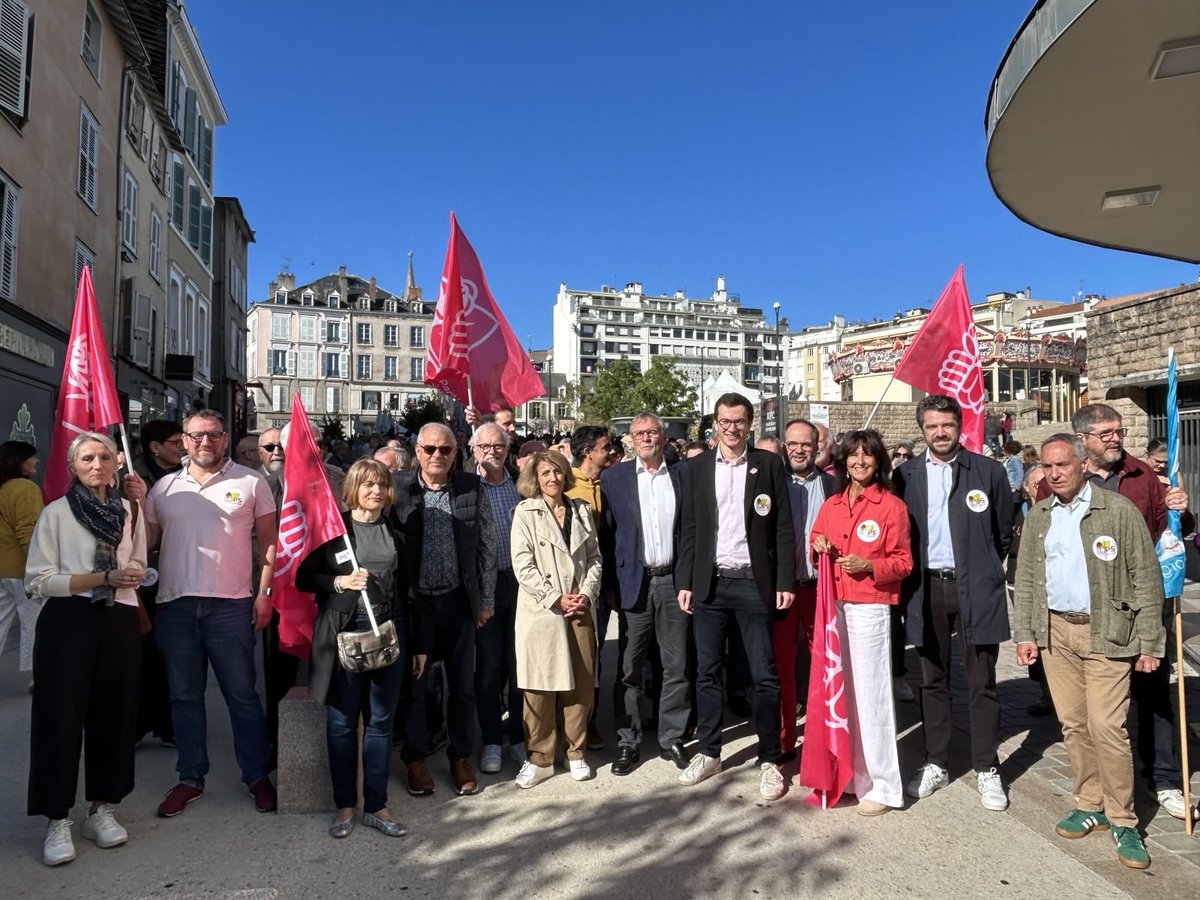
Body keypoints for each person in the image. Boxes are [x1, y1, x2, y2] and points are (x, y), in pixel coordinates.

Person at [1013, 434, 1165, 869]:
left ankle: (1123, 819)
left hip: (1108, 634)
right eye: (1048, 466)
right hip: (1056, 633)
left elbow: (1146, 578)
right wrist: (1026, 633)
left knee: (1107, 727)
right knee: (1074, 725)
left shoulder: (1117, 511)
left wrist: (1150, 642)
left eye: (1063, 465)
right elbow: (1026, 580)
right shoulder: (1040, 514)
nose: (1055, 473)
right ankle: (1089, 802)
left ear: (1083, 464)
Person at [1051, 403, 1193, 820]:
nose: (1116, 439)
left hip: (1138, 607)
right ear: (1083, 439)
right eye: (1106, 433)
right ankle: (1097, 791)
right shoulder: (1060, 480)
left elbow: (1167, 536)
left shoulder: (1142, 476)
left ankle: (1164, 777)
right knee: (1095, 713)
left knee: (1154, 693)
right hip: (1085, 612)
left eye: (1118, 432)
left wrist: (1179, 513)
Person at [144, 409, 279, 817]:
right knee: (184, 698)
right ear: (184, 440)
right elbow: (144, 542)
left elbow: (271, 544)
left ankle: (256, 775)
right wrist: (132, 503)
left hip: (231, 605)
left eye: (214, 435)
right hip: (175, 605)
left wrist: (264, 593)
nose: (206, 442)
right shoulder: (163, 488)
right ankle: (190, 777)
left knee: (242, 696)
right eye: (197, 436)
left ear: (225, 439)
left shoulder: (251, 481)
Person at [25, 432, 148, 865]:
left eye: (105, 457)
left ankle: (102, 808)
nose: (98, 465)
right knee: (59, 717)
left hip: (118, 618)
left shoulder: (128, 510)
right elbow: (37, 581)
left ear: (117, 463)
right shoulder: (57, 514)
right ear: (74, 467)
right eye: (88, 458)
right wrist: (99, 579)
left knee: (114, 715)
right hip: (68, 619)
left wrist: (130, 573)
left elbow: (140, 563)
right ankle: (57, 819)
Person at [893, 394, 1014, 812]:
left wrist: (980, 567)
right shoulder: (904, 476)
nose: (940, 432)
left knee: (982, 680)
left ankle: (986, 766)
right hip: (925, 589)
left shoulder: (988, 471)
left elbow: (1002, 532)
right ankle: (936, 761)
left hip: (975, 588)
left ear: (958, 426)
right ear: (922, 429)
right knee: (932, 678)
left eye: (946, 425)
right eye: (932, 426)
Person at [676, 392, 795, 802]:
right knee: (708, 671)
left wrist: (784, 581)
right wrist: (685, 581)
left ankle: (769, 758)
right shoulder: (695, 468)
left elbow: (783, 527)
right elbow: (689, 528)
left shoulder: (768, 465)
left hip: (753, 583)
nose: (731, 428)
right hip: (710, 583)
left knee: (764, 675)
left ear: (749, 424)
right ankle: (710, 752)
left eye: (739, 421)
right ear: (714, 423)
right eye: (725, 421)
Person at [297, 459, 411, 839]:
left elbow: (407, 590)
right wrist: (340, 581)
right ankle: (345, 803)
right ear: (353, 489)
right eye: (367, 485)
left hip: (387, 635)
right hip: (344, 635)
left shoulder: (396, 530)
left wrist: (419, 645)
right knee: (343, 723)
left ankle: (376, 804)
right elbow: (303, 577)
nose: (375, 491)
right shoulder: (335, 531)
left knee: (380, 724)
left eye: (381, 484)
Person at [811, 429, 913, 815]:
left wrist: (871, 565)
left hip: (869, 606)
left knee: (872, 697)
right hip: (834, 607)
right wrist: (817, 543)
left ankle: (885, 786)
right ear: (844, 462)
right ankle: (854, 776)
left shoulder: (891, 507)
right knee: (844, 696)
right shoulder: (833, 504)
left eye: (867, 456)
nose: (859, 462)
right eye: (853, 456)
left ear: (879, 461)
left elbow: (904, 563)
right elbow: (816, 537)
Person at [392, 422, 496, 797]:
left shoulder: (471, 487)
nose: (437, 455)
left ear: (457, 452)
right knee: (416, 685)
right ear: (417, 451)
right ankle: (416, 759)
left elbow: (487, 545)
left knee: (462, 687)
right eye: (430, 449)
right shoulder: (399, 487)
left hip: (458, 602)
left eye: (445, 450)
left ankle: (460, 756)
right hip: (416, 603)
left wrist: (485, 600)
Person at [600, 412, 690, 775]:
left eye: (653, 432)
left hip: (673, 582)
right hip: (632, 583)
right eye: (639, 433)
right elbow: (606, 538)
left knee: (676, 665)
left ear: (664, 437)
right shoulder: (614, 478)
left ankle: (672, 738)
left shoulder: (683, 474)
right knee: (629, 667)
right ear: (630, 440)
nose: (646, 438)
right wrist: (609, 585)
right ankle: (628, 740)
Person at [510, 449, 602, 787]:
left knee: (580, 683)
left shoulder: (580, 510)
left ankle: (575, 752)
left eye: (558, 472)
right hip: (543, 610)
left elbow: (594, 558)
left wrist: (586, 593)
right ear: (535, 478)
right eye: (545, 473)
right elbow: (522, 564)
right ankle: (540, 757)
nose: (552, 479)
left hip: (578, 606)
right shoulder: (525, 512)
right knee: (540, 686)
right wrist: (554, 598)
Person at [472, 422, 526, 772]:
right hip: (485, 589)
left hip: (521, 587)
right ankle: (491, 740)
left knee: (519, 666)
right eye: (485, 446)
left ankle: (518, 737)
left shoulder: (522, 488)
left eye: (499, 446)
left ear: (508, 450)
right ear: (474, 450)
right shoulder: (464, 488)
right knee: (488, 669)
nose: (492, 451)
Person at [781, 419, 834, 753]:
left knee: (823, 664)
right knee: (782, 667)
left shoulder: (835, 486)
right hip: (783, 590)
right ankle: (784, 739)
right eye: (793, 444)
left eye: (806, 444)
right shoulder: (772, 484)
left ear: (818, 447)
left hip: (821, 591)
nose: (799, 450)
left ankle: (821, 735)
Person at [131, 421, 184, 747]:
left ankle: (167, 723)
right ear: (154, 446)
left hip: (176, 573)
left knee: (172, 655)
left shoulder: (185, 475)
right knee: (140, 654)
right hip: (139, 578)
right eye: (175, 442)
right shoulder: (132, 477)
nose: (181, 447)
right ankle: (135, 724)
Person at [567, 424, 616, 751]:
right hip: (571, 587)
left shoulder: (610, 483)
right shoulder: (566, 485)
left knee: (593, 657)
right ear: (588, 452)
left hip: (601, 584)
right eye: (605, 447)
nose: (611, 451)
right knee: (570, 656)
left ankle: (590, 719)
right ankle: (568, 721)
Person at [0, 440, 43, 677]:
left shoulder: (3, 487)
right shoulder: (25, 489)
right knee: (32, 623)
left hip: (2, 567)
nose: (36, 461)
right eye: (31, 458)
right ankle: (34, 674)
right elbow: (28, 532)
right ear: (19, 461)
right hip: (22, 567)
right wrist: (37, 567)